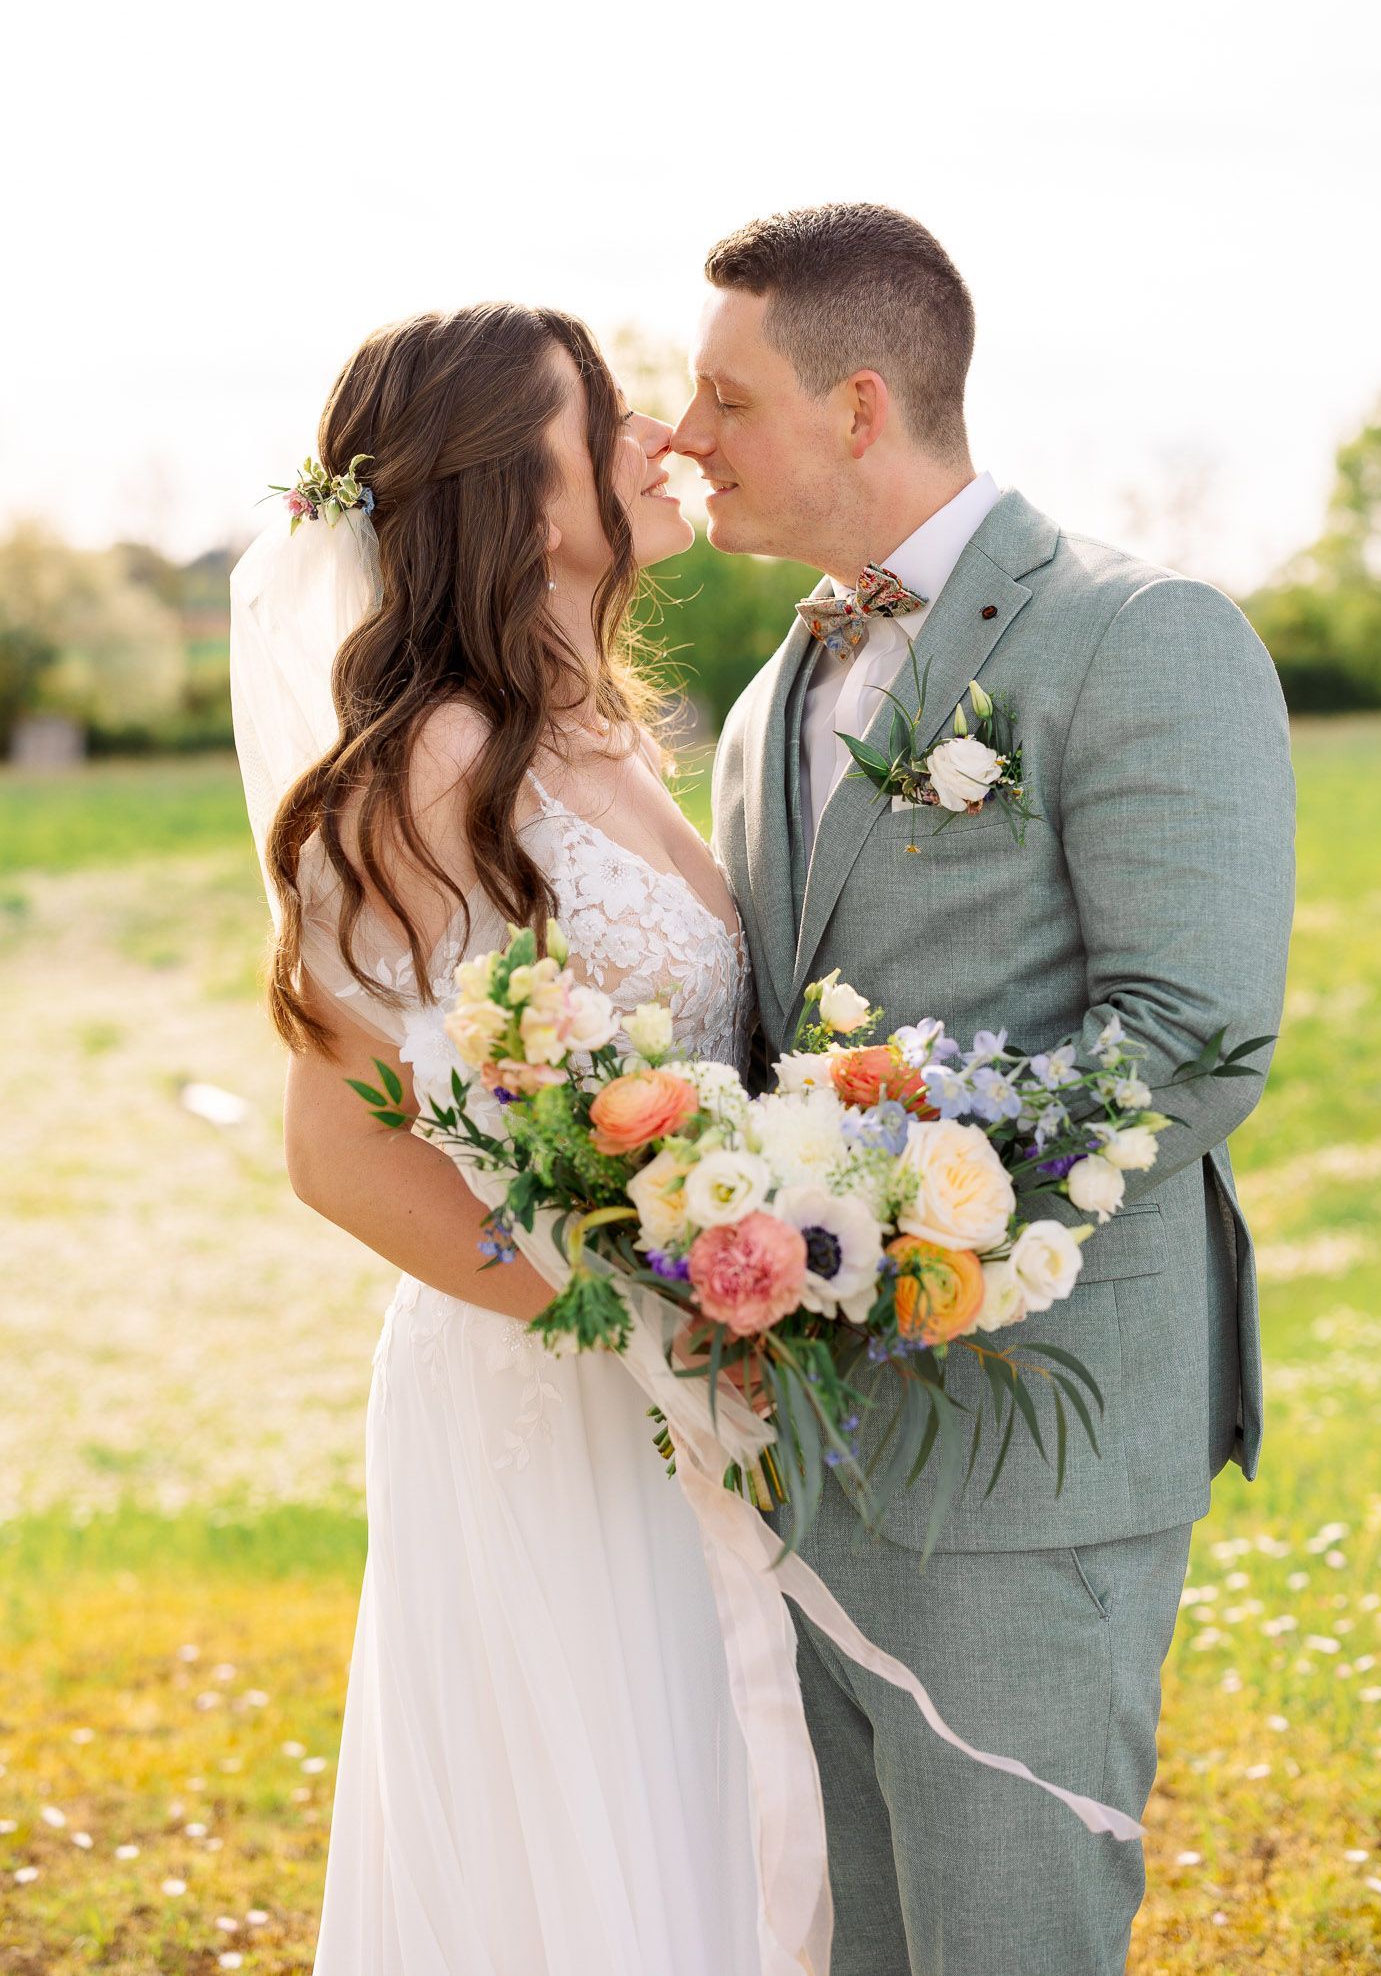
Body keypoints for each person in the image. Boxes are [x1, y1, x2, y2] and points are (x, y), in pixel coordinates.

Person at [681, 201, 1296, 1976]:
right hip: (811, 1451)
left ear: (857, 405)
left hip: (1038, 1442)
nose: (681, 438)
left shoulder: (1140, 632)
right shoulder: (764, 697)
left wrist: (857, 1226)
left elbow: (1187, 1037)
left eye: (723, 398)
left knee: (1008, 1940)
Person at [230, 302, 762, 1976]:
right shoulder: (430, 767)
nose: (661, 433)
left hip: (685, 1381)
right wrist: (639, 1320)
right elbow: (337, 1147)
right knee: (583, 1844)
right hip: (548, 1392)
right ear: (523, 497)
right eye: (609, 413)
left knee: (714, 1808)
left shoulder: (598, 721)